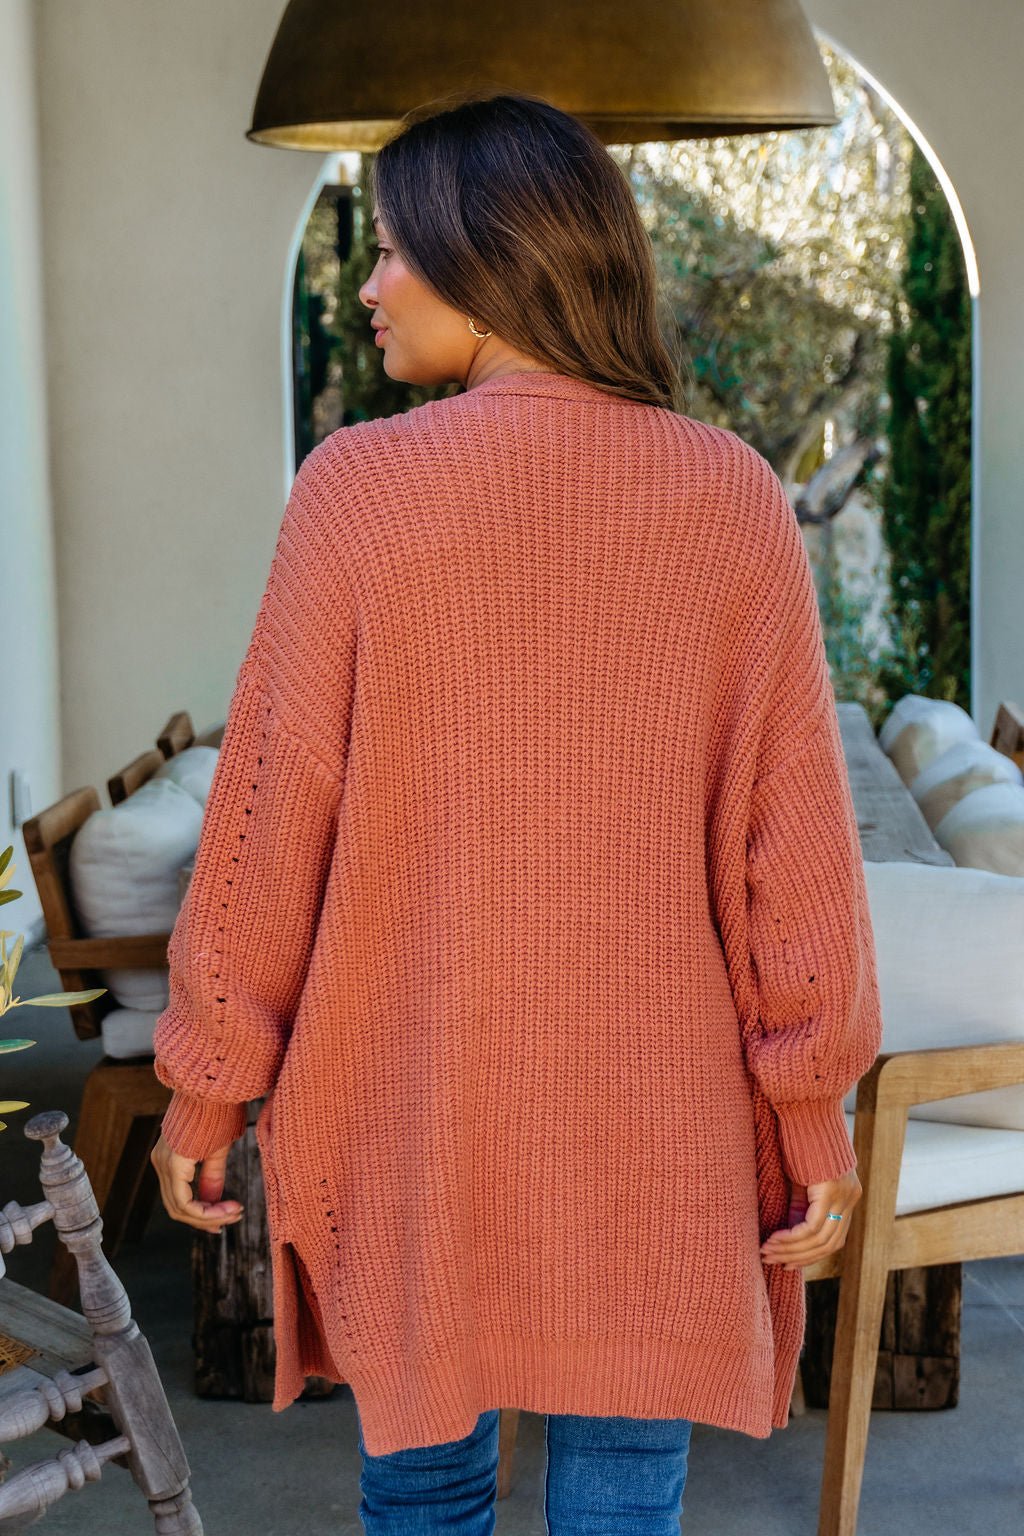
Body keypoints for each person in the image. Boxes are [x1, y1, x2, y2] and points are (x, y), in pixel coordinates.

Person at [150, 90, 883, 1532]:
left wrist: (208, 1081)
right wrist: (816, 1119)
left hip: (414, 1110)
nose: (366, 285)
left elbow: (264, 831)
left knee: (422, 1492)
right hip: (655, 1126)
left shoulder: (357, 494)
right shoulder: (731, 498)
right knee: (624, 1498)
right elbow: (796, 866)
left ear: (492, 256)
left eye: (393, 247)